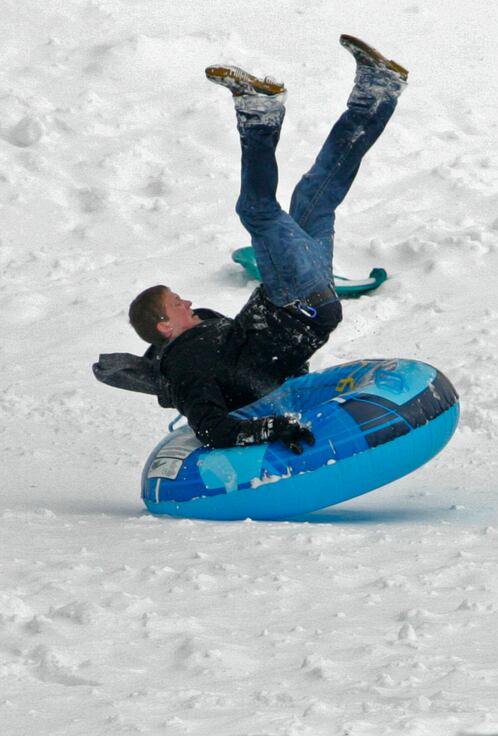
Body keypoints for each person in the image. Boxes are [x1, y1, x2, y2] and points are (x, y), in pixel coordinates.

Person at [106, 35, 407, 453]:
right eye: (176, 303)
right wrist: (272, 428)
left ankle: (377, 90)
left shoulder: (198, 344)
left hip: (305, 299)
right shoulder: (187, 364)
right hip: (296, 300)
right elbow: (212, 427)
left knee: (315, 192)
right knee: (256, 211)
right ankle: (258, 111)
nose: (187, 302)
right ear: (164, 325)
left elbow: (252, 370)